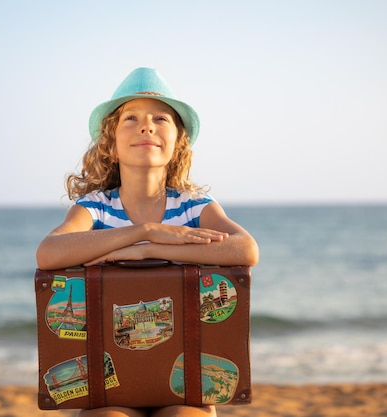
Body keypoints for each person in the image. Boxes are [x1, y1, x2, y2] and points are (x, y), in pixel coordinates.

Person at [36, 68, 259, 417]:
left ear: (178, 142)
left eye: (160, 118)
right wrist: (146, 230)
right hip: (109, 387)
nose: (147, 126)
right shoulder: (94, 209)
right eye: (131, 118)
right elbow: (48, 253)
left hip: (186, 386)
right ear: (110, 143)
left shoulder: (194, 208)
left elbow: (245, 249)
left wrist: (151, 250)